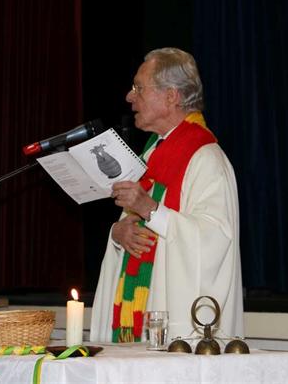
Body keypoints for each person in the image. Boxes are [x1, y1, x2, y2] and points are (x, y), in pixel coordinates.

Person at [90, 48, 243, 343]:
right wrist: (118, 234)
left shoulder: (206, 158)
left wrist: (151, 210)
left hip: (179, 332)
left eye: (139, 88)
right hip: (140, 315)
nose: (129, 97)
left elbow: (215, 242)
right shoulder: (152, 153)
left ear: (171, 96)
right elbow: (134, 223)